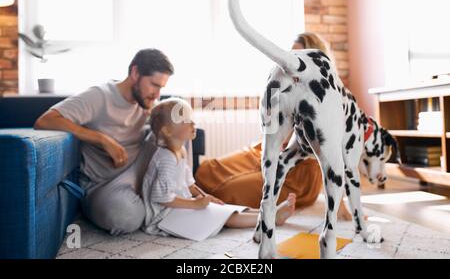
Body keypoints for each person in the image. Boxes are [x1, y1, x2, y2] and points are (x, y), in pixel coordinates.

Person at [195, 32, 355, 221]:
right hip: (265, 151)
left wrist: (342, 203)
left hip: (297, 171)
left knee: (227, 192)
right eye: (289, 56)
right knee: (206, 172)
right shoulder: (282, 82)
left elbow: (342, 150)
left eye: (298, 57)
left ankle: (271, 213)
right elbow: (270, 126)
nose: (291, 64)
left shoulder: (333, 96)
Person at [34, 48, 174, 235]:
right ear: (135, 73)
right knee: (125, 217)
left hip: (138, 173)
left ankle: (172, 197)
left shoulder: (146, 103)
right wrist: (101, 139)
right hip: (104, 185)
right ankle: (152, 206)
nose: (157, 94)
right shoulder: (99, 96)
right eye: (154, 85)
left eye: (161, 88)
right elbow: (45, 120)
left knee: (179, 124)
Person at [142, 97, 297, 236]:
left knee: (225, 208)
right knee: (225, 217)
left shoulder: (180, 151)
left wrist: (205, 197)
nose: (192, 123)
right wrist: (194, 204)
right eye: (184, 121)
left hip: (179, 206)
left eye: (190, 118)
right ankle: (271, 219)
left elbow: (190, 184)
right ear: (167, 131)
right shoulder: (166, 159)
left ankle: (271, 212)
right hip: (164, 216)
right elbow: (161, 197)